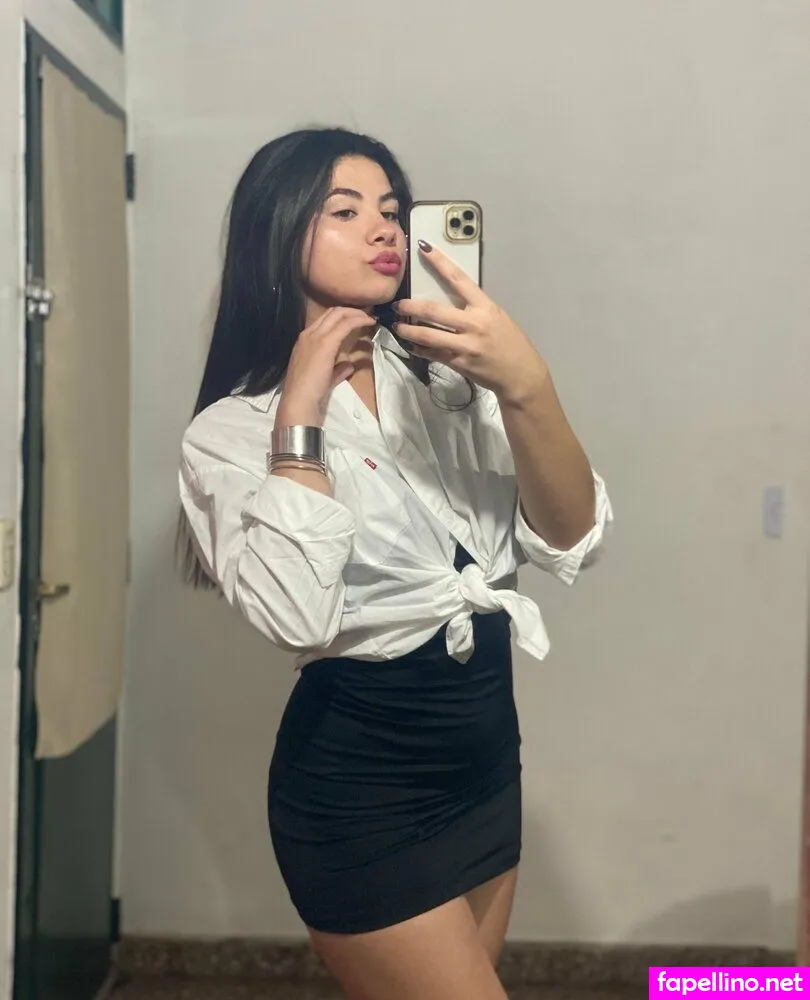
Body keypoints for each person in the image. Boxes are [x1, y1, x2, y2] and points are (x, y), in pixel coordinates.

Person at [177, 127, 613, 1000]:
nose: (384, 228)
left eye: (391, 208)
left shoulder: (448, 380)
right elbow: (297, 618)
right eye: (344, 210)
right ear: (277, 231)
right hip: (360, 786)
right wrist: (300, 416)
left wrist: (527, 386)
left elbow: (572, 540)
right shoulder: (229, 430)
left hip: (484, 759)